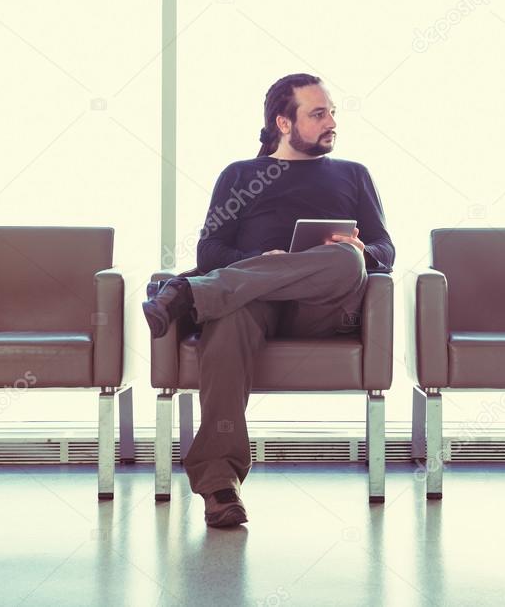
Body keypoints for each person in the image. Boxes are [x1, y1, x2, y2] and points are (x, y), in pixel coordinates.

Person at [143, 73, 395, 527]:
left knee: (343, 261)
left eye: (332, 112)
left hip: (323, 307)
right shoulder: (240, 175)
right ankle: (219, 485)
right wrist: (263, 261)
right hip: (252, 307)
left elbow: (385, 251)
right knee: (230, 315)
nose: (331, 122)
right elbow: (210, 252)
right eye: (318, 114)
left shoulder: (353, 175)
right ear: (284, 121)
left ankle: (190, 294)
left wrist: (360, 252)